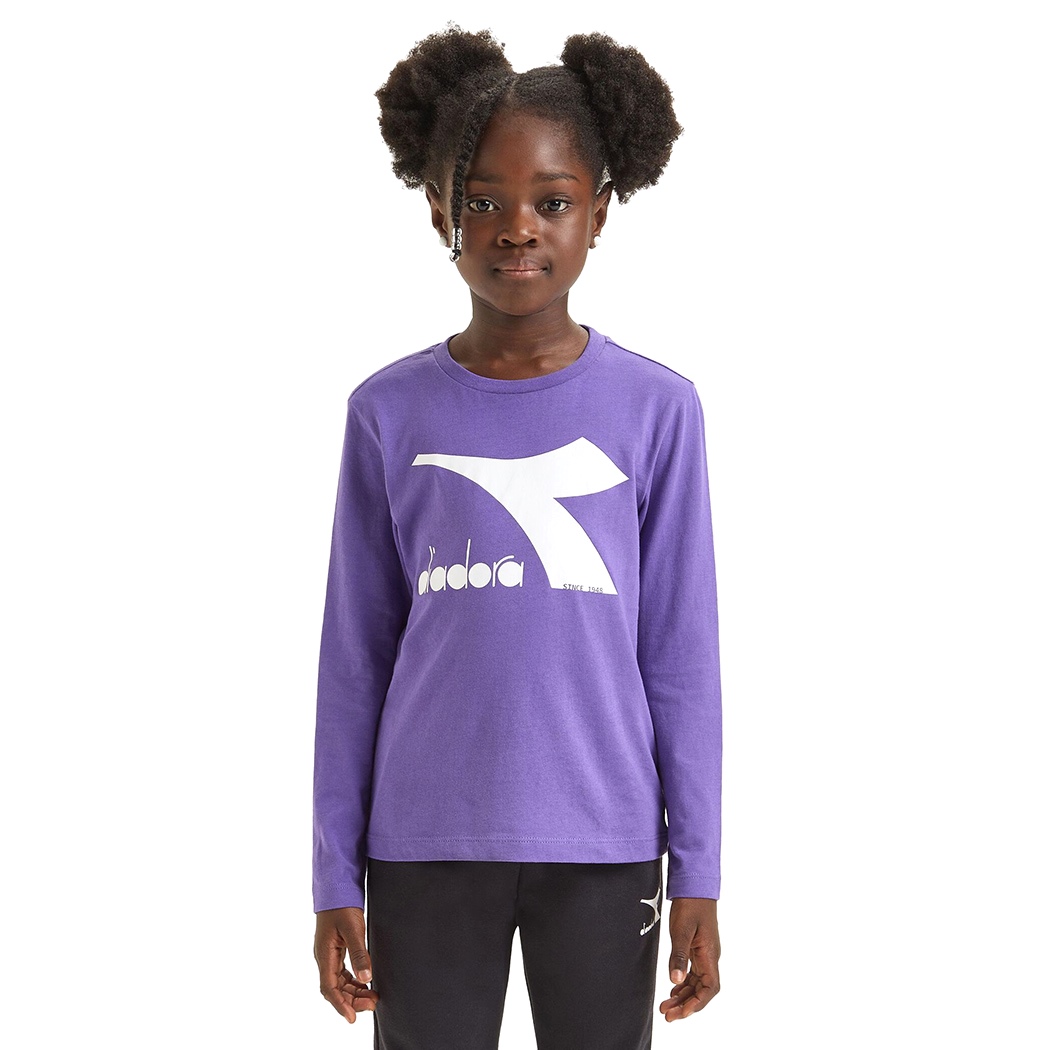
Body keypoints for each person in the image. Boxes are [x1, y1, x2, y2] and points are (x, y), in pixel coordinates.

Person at [312, 26, 723, 1050]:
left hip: (607, 845)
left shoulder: (658, 411)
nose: (517, 228)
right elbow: (354, 659)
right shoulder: (386, 413)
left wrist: (700, 871)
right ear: (439, 210)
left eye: (552, 201)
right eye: (485, 201)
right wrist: (332, 875)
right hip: (422, 844)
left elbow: (681, 657)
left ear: (599, 214)